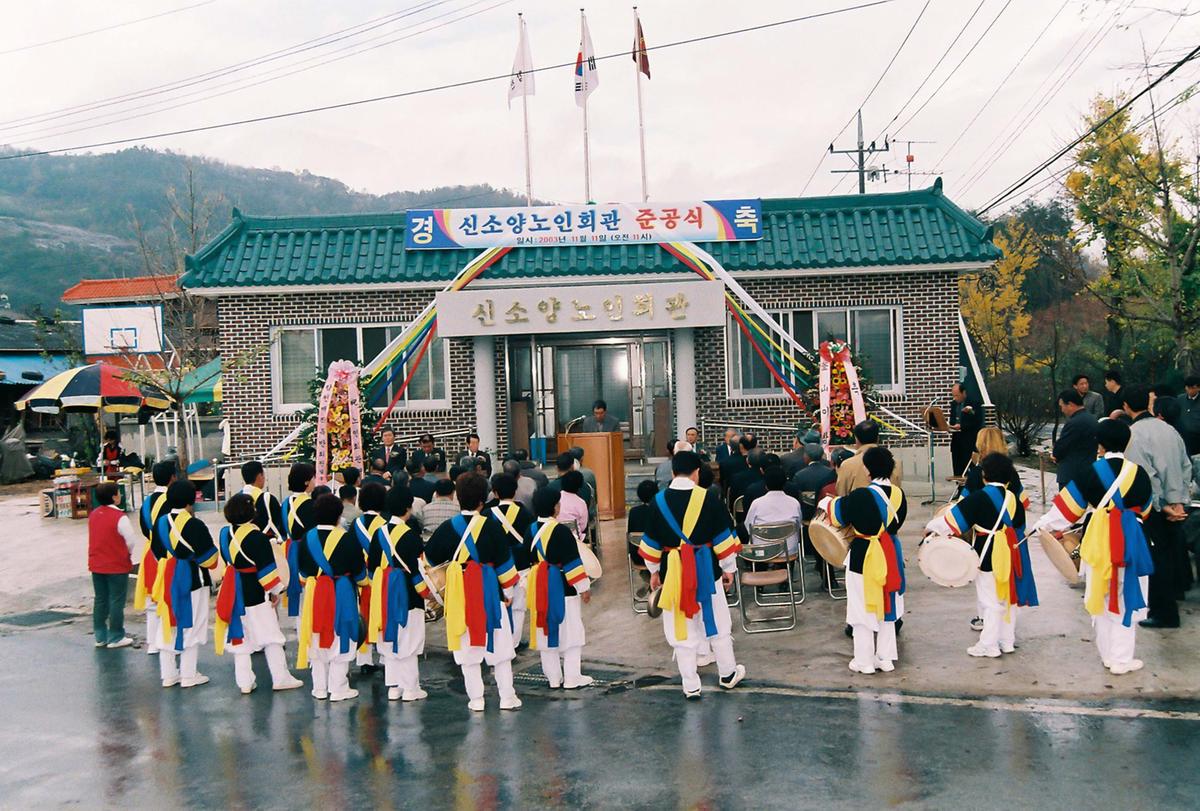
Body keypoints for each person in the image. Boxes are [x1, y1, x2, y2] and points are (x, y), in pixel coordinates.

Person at [1032, 419, 1154, 673]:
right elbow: (1146, 510)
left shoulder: (1089, 472)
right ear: (1127, 442)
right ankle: (1122, 659)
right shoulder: (1139, 473)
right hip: (1131, 541)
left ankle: (1108, 655)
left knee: (1101, 593)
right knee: (1125, 595)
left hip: (1099, 541)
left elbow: (1066, 511)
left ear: (1099, 444)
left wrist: (1042, 525)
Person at [638, 450, 747, 699]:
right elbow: (723, 540)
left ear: (673, 472)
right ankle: (728, 674)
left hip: (672, 570)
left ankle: (690, 684)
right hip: (707, 567)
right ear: (697, 472)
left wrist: (655, 572)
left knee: (681, 625)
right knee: (717, 621)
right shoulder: (709, 498)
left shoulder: (658, 501)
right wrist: (729, 569)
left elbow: (651, 547)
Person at [424, 473, 522, 712]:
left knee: (466, 647)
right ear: (482, 500)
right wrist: (508, 592)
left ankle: (476, 699)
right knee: (500, 645)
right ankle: (507, 697)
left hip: (459, 594)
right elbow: (505, 566)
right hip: (490, 592)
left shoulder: (447, 528)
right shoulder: (492, 527)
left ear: (458, 498)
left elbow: (431, 559)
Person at [926, 453, 1038, 658]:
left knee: (990, 600)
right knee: (1008, 597)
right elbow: (1020, 525)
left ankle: (988, 645)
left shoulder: (979, 497)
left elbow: (952, 522)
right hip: (1010, 552)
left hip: (987, 551)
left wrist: (930, 528)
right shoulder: (1013, 499)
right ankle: (1007, 641)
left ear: (984, 475)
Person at [213, 494, 304, 694]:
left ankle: (244, 682)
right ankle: (280, 678)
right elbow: (266, 571)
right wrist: (276, 591)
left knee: (241, 638)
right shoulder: (258, 538)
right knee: (271, 636)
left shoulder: (225, 534)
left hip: (235, 591)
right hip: (256, 592)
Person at [1124, 385, 1192, 629]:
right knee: (1172, 555)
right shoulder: (1169, 430)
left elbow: (1145, 475)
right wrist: (1179, 501)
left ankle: (1164, 613)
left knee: (1158, 561)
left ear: (1126, 407)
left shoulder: (1135, 434)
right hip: (1176, 504)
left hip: (1156, 507)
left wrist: (1162, 504)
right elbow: (1186, 466)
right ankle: (1170, 604)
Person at [295, 494, 368, 702]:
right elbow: (360, 575)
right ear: (339, 515)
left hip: (315, 592)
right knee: (341, 634)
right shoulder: (347, 538)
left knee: (316, 634)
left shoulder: (306, 540)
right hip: (342, 591)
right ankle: (338, 688)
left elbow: (302, 576)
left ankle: (319, 687)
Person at [527, 487, 594, 689]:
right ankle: (572, 678)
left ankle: (553, 678)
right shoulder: (561, 531)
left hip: (539, 585)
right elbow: (572, 563)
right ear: (556, 507)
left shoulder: (530, 529)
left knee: (545, 630)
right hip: (563, 586)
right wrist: (584, 588)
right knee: (572, 631)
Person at [154, 481, 219, 688]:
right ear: (192, 500)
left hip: (168, 577)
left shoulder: (161, 522)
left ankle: (168, 674)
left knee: (168, 622)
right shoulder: (194, 524)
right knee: (193, 624)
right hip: (193, 578)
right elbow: (210, 560)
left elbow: (157, 553)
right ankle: (189, 674)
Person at [368, 485, 430, 701]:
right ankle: (411, 688)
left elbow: (371, 567)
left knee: (388, 637)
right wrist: (426, 593)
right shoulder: (411, 536)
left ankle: (394, 687)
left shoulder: (378, 533)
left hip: (384, 592)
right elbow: (418, 570)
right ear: (408, 507)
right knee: (410, 639)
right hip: (408, 592)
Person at [89, 482, 141, 649]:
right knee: (116, 600)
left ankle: (100, 635)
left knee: (100, 599)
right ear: (114, 497)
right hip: (116, 564)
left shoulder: (94, 515)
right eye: (118, 493)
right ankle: (116, 635)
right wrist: (125, 553)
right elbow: (131, 541)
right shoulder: (120, 517)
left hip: (97, 563)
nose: (120, 496)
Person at [134, 460, 177, 655]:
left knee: (152, 600)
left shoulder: (147, 501)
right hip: (167, 553)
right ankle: (170, 642)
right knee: (169, 598)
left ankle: (152, 642)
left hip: (149, 550)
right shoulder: (171, 500)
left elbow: (144, 528)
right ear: (172, 478)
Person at [489, 473, 536, 647]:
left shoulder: (487, 514)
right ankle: (514, 642)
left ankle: (501, 639)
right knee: (519, 605)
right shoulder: (525, 512)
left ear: (495, 493)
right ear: (515, 491)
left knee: (499, 603)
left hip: (497, 565)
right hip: (521, 563)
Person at [350, 483, 389, 674]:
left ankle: (363, 658)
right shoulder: (385, 525)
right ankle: (384, 655)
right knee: (381, 614)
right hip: (380, 577)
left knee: (362, 615)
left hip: (359, 578)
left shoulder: (354, 524)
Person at [280, 463, 317, 629]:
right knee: (309, 593)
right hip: (308, 551)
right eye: (313, 478)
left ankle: (300, 626)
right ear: (306, 482)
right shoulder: (310, 505)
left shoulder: (286, 503)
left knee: (298, 592)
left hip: (290, 550)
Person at [744, 466, 802, 556]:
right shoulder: (794, 503)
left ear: (766, 485)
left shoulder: (757, 503)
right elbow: (798, 526)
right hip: (788, 550)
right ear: (785, 483)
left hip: (762, 551)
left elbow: (748, 527)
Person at [837, 420, 904, 495]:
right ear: (878, 438)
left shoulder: (848, 465)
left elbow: (841, 494)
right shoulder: (895, 463)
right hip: (888, 505)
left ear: (856, 439)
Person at [1053, 389, 1100, 490]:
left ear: (1070, 404)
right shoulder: (1092, 419)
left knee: (1068, 505)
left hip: (1071, 474)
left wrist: (1055, 455)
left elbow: (1061, 447)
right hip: (1087, 471)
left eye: (1062, 406)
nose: (1062, 410)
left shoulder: (1074, 423)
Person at [241, 461, 284, 540]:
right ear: (259, 476)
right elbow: (280, 522)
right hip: (265, 541)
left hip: (242, 540)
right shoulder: (267, 498)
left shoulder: (237, 499)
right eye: (263, 474)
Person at [949, 383, 983, 477]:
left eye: (957, 395)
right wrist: (951, 425)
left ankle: (970, 487)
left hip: (969, 441)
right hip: (957, 441)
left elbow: (977, 420)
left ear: (963, 393)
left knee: (969, 467)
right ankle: (959, 488)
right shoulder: (954, 404)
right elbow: (952, 419)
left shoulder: (974, 403)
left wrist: (962, 426)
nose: (955, 398)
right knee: (957, 467)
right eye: (953, 396)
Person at [557, 470, 590, 544]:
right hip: (576, 540)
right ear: (580, 485)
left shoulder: (556, 498)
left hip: (556, 537)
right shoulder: (581, 503)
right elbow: (583, 526)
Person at [1183, 375, 1200, 490]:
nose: (1189, 390)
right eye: (1187, 387)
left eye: (1192, 387)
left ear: (1198, 388)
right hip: (1184, 441)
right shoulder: (1180, 400)